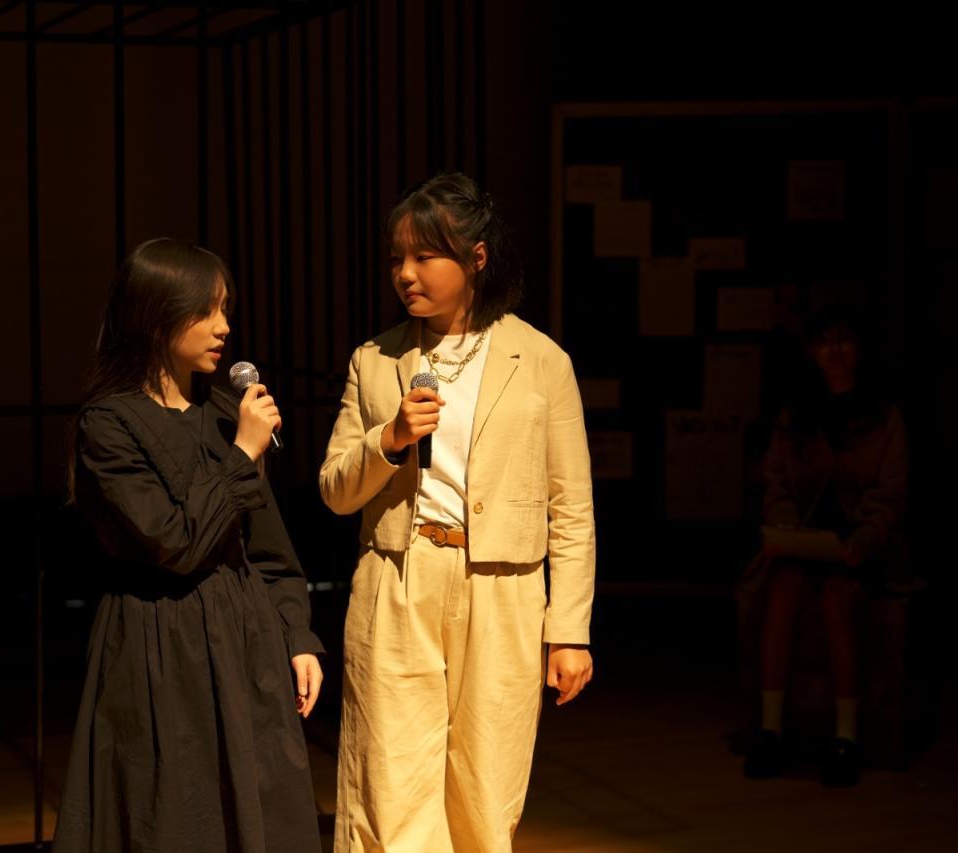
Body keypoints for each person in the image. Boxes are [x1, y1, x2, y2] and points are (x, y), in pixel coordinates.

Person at [319, 172, 596, 852]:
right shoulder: (375, 359)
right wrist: (389, 439)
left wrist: (569, 631)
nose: (405, 274)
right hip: (398, 575)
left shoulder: (541, 362)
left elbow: (571, 508)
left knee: (485, 783)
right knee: (388, 778)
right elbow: (334, 488)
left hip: (503, 585)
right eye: (396, 258)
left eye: (424, 256)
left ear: (476, 258)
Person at [53, 238, 325, 851]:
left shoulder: (225, 411)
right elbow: (175, 543)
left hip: (245, 641)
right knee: (176, 817)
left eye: (225, 309)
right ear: (155, 315)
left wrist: (297, 637)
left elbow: (269, 551)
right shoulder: (109, 424)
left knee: (260, 816)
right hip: (159, 646)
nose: (223, 326)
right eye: (205, 310)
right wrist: (242, 454)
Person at [744, 304, 909, 787]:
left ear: (860, 349)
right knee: (782, 589)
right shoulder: (795, 415)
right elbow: (776, 485)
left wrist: (863, 540)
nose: (834, 352)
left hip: (861, 551)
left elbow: (890, 496)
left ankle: (846, 735)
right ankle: (770, 729)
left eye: (844, 340)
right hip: (803, 545)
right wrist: (787, 532)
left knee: (839, 594)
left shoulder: (884, 417)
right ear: (811, 352)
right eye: (824, 342)